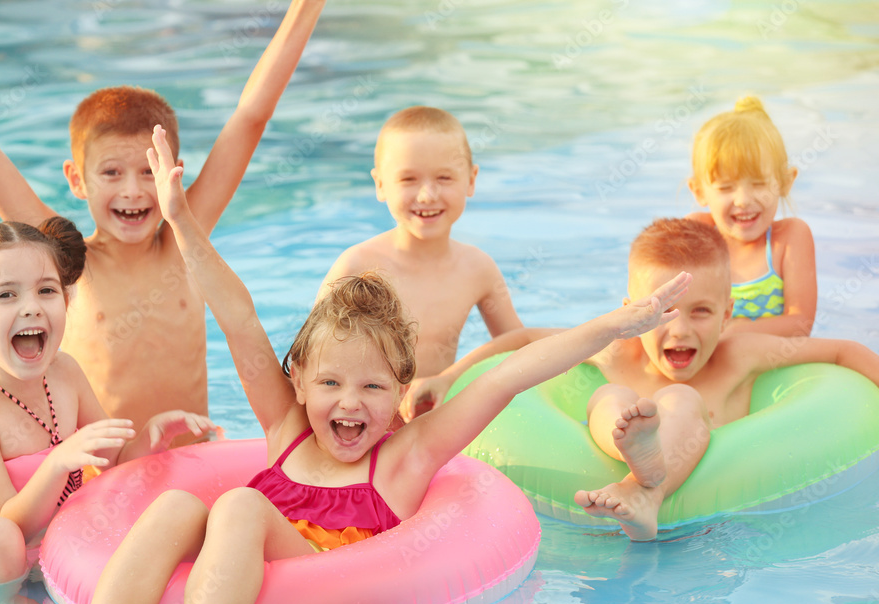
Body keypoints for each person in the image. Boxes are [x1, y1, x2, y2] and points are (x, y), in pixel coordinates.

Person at [36, 126, 690, 604]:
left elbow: (508, 374)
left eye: (373, 387)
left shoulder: (405, 458)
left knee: (235, 504)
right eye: (329, 384)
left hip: (332, 598)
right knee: (179, 502)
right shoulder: (286, 427)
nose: (349, 404)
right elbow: (236, 314)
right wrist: (179, 218)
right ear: (297, 380)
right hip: (247, 553)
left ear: (401, 391)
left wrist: (617, 323)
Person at [0, 0, 325, 441]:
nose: (132, 190)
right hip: (104, 479)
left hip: (194, 465)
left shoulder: (185, 239)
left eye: (149, 171)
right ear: (77, 180)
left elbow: (251, 117)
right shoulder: (63, 263)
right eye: (111, 172)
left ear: (173, 172)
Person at [403, 218, 879, 542]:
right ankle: (641, 464)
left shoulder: (739, 354)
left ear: (728, 313)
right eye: (661, 311)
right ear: (632, 311)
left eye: (702, 312)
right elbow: (523, 339)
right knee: (609, 397)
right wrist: (449, 376)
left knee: (681, 399)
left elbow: (842, 351)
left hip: (718, 528)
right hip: (621, 525)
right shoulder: (613, 350)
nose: (680, 329)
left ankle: (647, 483)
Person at [0, 218, 217, 587]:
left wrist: (151, 438)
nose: (31, 307)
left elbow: (115, 462)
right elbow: (9, 523)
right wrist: (59, 461)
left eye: (46, 290)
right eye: (6, 295)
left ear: (66, 299)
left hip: (54, 555)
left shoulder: (65, 372)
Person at [317, 106, 523, 418]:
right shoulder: (357, 267)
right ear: (381, 185)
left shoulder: (477, 268)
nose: (427, 195)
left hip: (434, 420)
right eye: (409, 179)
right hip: (364, 424)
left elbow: (517, 347)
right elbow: (312, 362)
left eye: (444, 177)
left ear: (471, 179)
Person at [687, 95, 816, 336]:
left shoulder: (789, 240)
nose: (744, 200)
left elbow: (800, 324)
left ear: (785, 182)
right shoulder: (696, 235)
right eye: (725, 187)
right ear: (699, 191)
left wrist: (735, 332)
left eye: (758, 184)